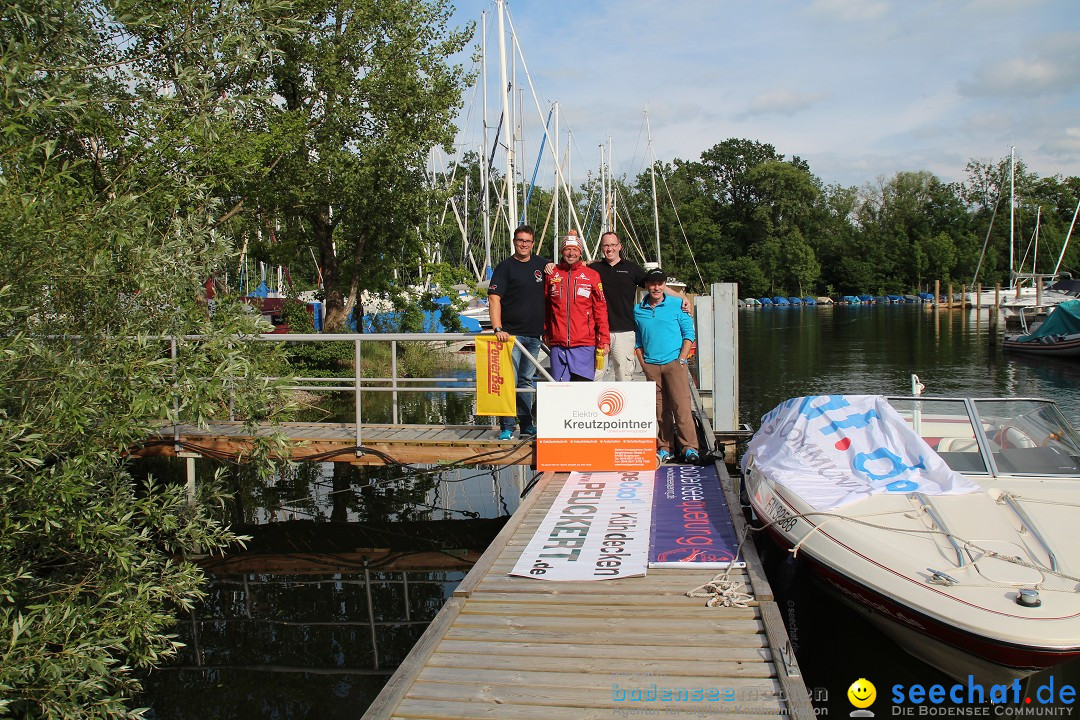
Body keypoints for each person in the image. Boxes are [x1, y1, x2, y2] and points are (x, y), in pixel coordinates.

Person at [588, 231, 692, 381]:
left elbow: (655, 285)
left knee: (624, 376)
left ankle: (624, 405)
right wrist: (551, 265)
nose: (609, 248)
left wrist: (681, 297)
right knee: (594, 377)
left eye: (612, 245)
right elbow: (574, 267)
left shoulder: (631, 268)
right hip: (598, 332)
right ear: (602, 248)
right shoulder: (594, 268)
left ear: (619, 246)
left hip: (624, 331)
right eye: (606, 245)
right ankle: (593, 405)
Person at [634, 268, 699, 465]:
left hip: (674, 363)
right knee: (660, 410)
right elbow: (637, 341)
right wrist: (643, 364)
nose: (656, 287)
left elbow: (689, 334)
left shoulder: (678, 305)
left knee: (682, 407)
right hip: (652, 366)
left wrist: (681, 358)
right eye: (652, 283)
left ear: (664, 285)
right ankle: (665, 448)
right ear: (646, 286)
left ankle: (690, 448)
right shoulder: (638, 309)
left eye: (660, 283)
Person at [488, 225, 548, 440]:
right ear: (514, 242)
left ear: (533, 243)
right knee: (508, 381)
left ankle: (526, 424)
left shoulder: (542, 265)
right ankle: (507, 425)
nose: (524, 244)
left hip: (534, 336)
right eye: (520, 240)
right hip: (510, 336)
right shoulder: (505, 267)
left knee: (526, 381)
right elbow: (494, 298)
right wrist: (498, 328)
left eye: (528, 241)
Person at [544, 230, 609, 381]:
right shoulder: (552, 274)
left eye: (575, 249)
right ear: (562, 251)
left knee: (582, 392)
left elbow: (600, 310)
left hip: (584, 345)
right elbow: (547, 307)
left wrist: (604, 339)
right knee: (559, 392)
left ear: (580, 253)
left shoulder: (592, 275)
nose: (571, 253)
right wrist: (546, 331)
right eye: (567, 249)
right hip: (558, 344)